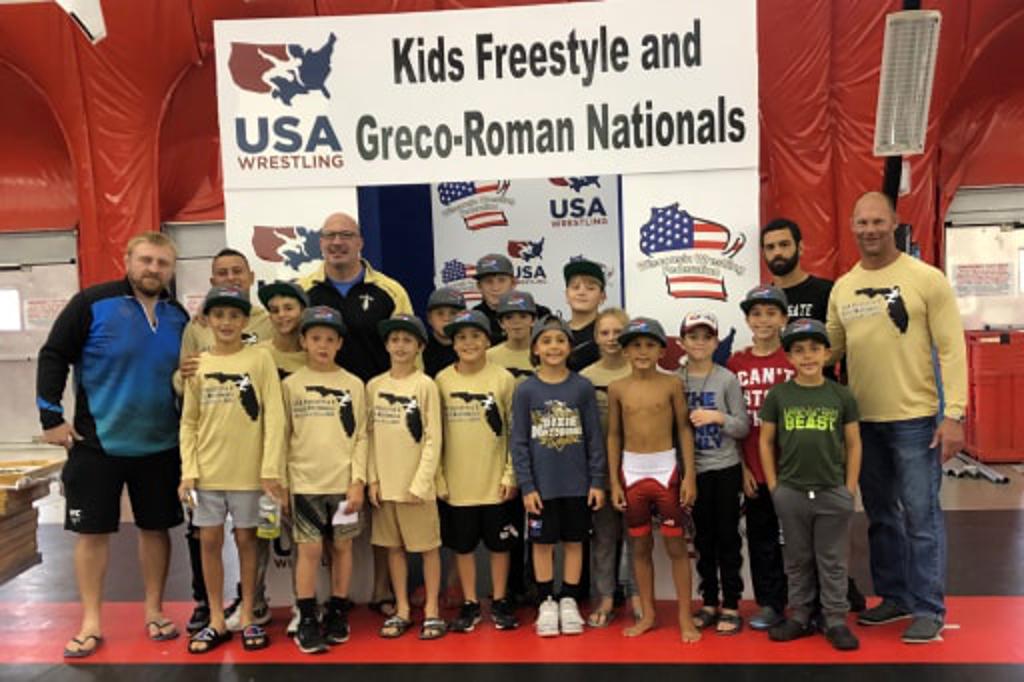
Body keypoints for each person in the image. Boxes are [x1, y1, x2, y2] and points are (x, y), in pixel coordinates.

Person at [37, 232, 188, 658]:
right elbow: (54, 355)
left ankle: (155, 611)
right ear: (128, 260)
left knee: (156, 529)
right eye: (146, 260)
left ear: (171, 269)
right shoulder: (92, 303)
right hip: (96, 443)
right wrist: (51, 417)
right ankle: (90, 622)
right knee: (91, 532)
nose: (153, 269)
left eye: (162, 262)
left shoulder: (179, 316)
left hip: (160, 444)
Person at [826, 191, 967, 644]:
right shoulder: (843, 287)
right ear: (852, 226)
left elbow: (951, 349)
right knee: (881, 516)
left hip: (916, 419)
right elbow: (829, 350)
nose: (869, 230)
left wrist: (955, 415)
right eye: (862, 222)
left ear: (894, 223)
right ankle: (895, 597)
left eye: (877, 221)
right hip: (863, 422)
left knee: (921, 518)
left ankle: (929, 608)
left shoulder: (926, 279)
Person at [301, 211, 413, 616]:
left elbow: (407, 344)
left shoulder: (389, 290)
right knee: (328, 505)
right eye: (329, 236)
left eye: (345, 235)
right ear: (320, 242)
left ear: (361, 242)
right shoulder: (305, 289)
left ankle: (382, 589)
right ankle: (326, 598)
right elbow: (282, 339)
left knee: (382, 502)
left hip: (382, 410)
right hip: (323, 412)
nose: (337, 243)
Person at [178, 286, 286, 654]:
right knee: (208, 542)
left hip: (250, 474)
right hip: (207, 475)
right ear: (206, 321)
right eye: (219, 315)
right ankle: (215, 620)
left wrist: (270, 469)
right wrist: (188, 471)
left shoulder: (259, 360)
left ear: (245, 321)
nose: (226, 322)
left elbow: (274, 416)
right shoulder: (197, 364)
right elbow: (188, 423)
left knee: (246, 542)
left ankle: (250, 616)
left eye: (234, 316)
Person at [760, 318, 862, 651]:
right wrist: (775, 486)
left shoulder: (841, 395)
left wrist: (849, 488)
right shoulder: (779, 395)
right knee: (798, 558)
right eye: (799, 351)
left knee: (832, 560)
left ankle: (835, 619)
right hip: (792, 491)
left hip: (832, 491)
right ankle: (800, 615)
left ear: (827, 353)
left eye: (815, 349)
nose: (807, 357)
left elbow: (854, 443)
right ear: (788, 357)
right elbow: (766, 442)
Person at [511, 316, 606, 637]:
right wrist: (526, 485)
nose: (554, 347)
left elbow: (594, 437)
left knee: (575, 541)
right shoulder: (526, 390)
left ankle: (568, 599)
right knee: (542, 545)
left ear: (569, 346)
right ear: (536, 348)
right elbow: (519, 442)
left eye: (560, 340)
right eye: (546, 341)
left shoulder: (581, 387)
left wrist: (596, 480)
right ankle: (546, 601)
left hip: (578, 485)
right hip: (541, 488)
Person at [608, 317, 700, 643]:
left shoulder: (672, 383)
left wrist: (689, 474)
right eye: (635, 345)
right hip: (632, 472)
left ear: (662, 349)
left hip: (666, 471)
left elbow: (684, 428)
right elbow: (614, 434)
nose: (642, 351)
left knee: (676, 545)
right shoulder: (617, 387)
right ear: (626, 350)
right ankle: (647, 614)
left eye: (649, 345)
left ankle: (685, 616)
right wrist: (615, 482)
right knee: (640, 546)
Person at [282, 306, 367, 654]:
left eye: (329, 339)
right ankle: (305, 615)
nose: (322, 345)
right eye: (315, 338)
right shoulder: (290, 385)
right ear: (303, 341)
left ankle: (337, 609)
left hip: (343, 485)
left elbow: (362, 435)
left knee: (343, 547)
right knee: (310, 549)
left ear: (340, 344)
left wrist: (358, 480)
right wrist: (283, 480)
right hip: (305, 485)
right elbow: (282, 435)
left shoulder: (353, 384)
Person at [435, 310, 519, 633]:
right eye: (461, 338)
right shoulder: (442, 380)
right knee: (463, 547)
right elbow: (436, 433)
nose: (468, 343)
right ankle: (470, 603)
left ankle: (498, 601)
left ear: (487, 340)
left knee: (500, 547)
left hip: (496, 482)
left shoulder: (503, 379)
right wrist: (439, 477)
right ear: (453, 343)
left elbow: (514, 432)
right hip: (457, 485)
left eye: (475, 336)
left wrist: (510, 475)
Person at [366, 314, 446, 640]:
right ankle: (401, 608)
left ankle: (431, 610)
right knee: (393, 550)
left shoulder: (425, 385)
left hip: (417, 487)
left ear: (420, 347)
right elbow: (367, 437)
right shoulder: (374, 385)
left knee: (428, 549)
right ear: (386, 345)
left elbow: (433, 437)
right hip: (385, 487)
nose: (400, 346)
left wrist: (421, 482)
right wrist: (373, 479)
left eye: (408, 340)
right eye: (395, 340)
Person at [677, 312, 750, 635]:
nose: (700, 343)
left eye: (706, 337)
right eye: (693, 337)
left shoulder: (727, 379)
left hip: (724, 469)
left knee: (728, 539)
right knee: (702, 541)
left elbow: (743, 426)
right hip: (692, 473)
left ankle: (731, 603)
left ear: (716, 342)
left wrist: (717, 417)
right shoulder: (674, 380)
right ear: (682, 342)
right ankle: (708, 601)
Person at [727, 285, 794, 631]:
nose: (763, 320)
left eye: (771, 313)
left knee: (801, 541)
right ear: (747, 320)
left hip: (795, 469)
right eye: (756, 313)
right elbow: (732, 422)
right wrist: (741, 468)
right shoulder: (736, 364)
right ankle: (770, 603)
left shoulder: (795, 360)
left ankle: (806, 600)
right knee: (761, 539)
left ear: (784, 318)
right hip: (754, 468)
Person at [579, 308, 640, 627]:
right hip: (601, 471)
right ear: (596, 337)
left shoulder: (642, 371)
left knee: (637, 537)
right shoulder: (587, 378)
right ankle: (604, 596)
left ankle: (638, 596)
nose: (612, 338)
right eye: (605, 333)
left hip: (636, 469)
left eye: (618, 332)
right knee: (604, 537)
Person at [760, 219, 834, 323]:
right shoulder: (762, 300)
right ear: (763, 254)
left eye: (784, 244)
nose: (777, 252)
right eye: (770, 247)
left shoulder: (828, 292)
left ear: (800, 248)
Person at [471, 253, 551, 343]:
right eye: (488, 281)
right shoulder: (473, 318)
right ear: (479, 286)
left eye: (501, 280)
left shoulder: (540, 313)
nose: (495, 288)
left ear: (513, 283)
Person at [256, 281, 309, 379]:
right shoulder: (258, 354)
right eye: (275, 310)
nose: (281, 314)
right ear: (270, 317)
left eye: (288, 308)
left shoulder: (315, 357)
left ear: (303, 312)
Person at [563, 259, 607, 372]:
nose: (581, 293)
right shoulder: (557, 331)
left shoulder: (609, 332)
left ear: (602, 296)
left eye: (590, 288)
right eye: (575, 287)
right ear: (567, 295)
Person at [486, 290, 538, 383]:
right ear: (501, 323)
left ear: (533, 320)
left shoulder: (545, 353)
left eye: (523, 316)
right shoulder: (488, 357)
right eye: (509, 317)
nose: (516, 322)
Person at [423, 286, 465, 378]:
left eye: (453, 313)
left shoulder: (469, 348)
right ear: (429, 318)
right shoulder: (420, 349)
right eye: (440, 313)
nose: (446, 319)